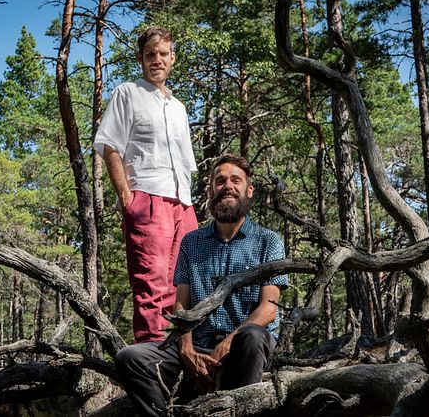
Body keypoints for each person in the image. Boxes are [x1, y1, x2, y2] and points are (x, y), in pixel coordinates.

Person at [114, 154, 288, 417]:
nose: (227, 185)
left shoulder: (268, 241)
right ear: (210, 191)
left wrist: (229, 342)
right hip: (199, 347)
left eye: (235, 180)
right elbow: (181, 304)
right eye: (219, 181)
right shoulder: (191, 242)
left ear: (249, 190)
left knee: (251, 336)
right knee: (131, 358)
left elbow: (268, 310)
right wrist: (186, 349)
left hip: (245, 349)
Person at [94, 26, 198, 343]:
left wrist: (191, 207)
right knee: (153, 286)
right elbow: (110, 145)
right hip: (148, 199)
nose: (157, 60)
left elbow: (186, 162)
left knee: (187, 284)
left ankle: (184, 356)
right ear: (140, 58)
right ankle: (152, 367)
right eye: (150, 54)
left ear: (172, 59)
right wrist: (127, 197)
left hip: (184, 204)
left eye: (163, 54)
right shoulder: (128, 93)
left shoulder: (179, 107)